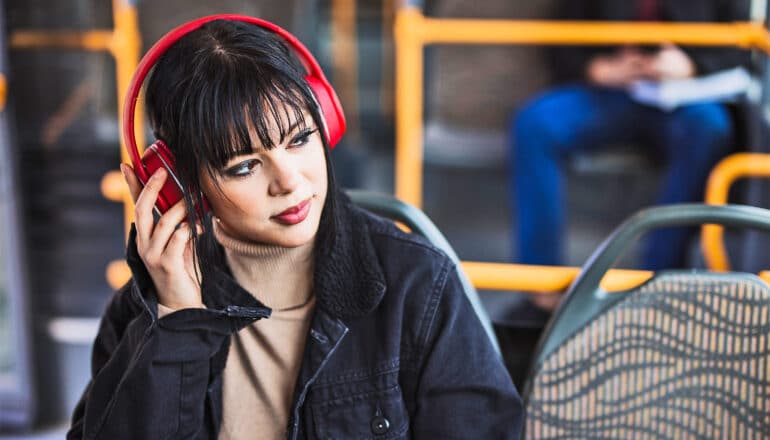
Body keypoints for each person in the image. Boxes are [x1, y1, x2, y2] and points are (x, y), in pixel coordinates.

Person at [68, 16, 523, 439]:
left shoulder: (417, 286)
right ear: (183, 186)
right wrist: (178, 324)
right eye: (245, 166)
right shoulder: (145, 310)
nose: (290, 181)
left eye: (300, 139)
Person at [509, 0, 751, 286]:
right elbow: (560, 39)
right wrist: (597, 68)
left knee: (709, 128)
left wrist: (693, 64)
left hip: (687, 96)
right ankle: (540, 285)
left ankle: (655, 281)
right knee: (534, 124)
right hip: (615, 90)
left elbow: (745, 44)